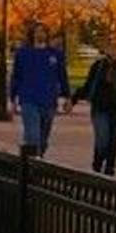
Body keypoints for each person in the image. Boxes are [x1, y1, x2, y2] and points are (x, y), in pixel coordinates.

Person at [9, 28, 68, 157]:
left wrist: (67, 97)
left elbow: (62, 76)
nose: (40, 34)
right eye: (37, 31)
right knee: (32, 136)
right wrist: (13, 98)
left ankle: (38, 159)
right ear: (32, 34)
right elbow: (16, 76)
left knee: (43, 139)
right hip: (28, 100)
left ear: (47, 35)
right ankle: (29, 165)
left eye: (43, 31)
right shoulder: (23, 53)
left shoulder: (55, 55)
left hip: (48, 100)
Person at [81, 44, 116, 174]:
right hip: (100, 108)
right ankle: (98, 162)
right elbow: (88, 85)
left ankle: (110, 166)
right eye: (111, 47)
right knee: (102, 138)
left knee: (114, 139)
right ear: (106, 49)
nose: (114, 51)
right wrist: (73, 99)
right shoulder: (98, 66)